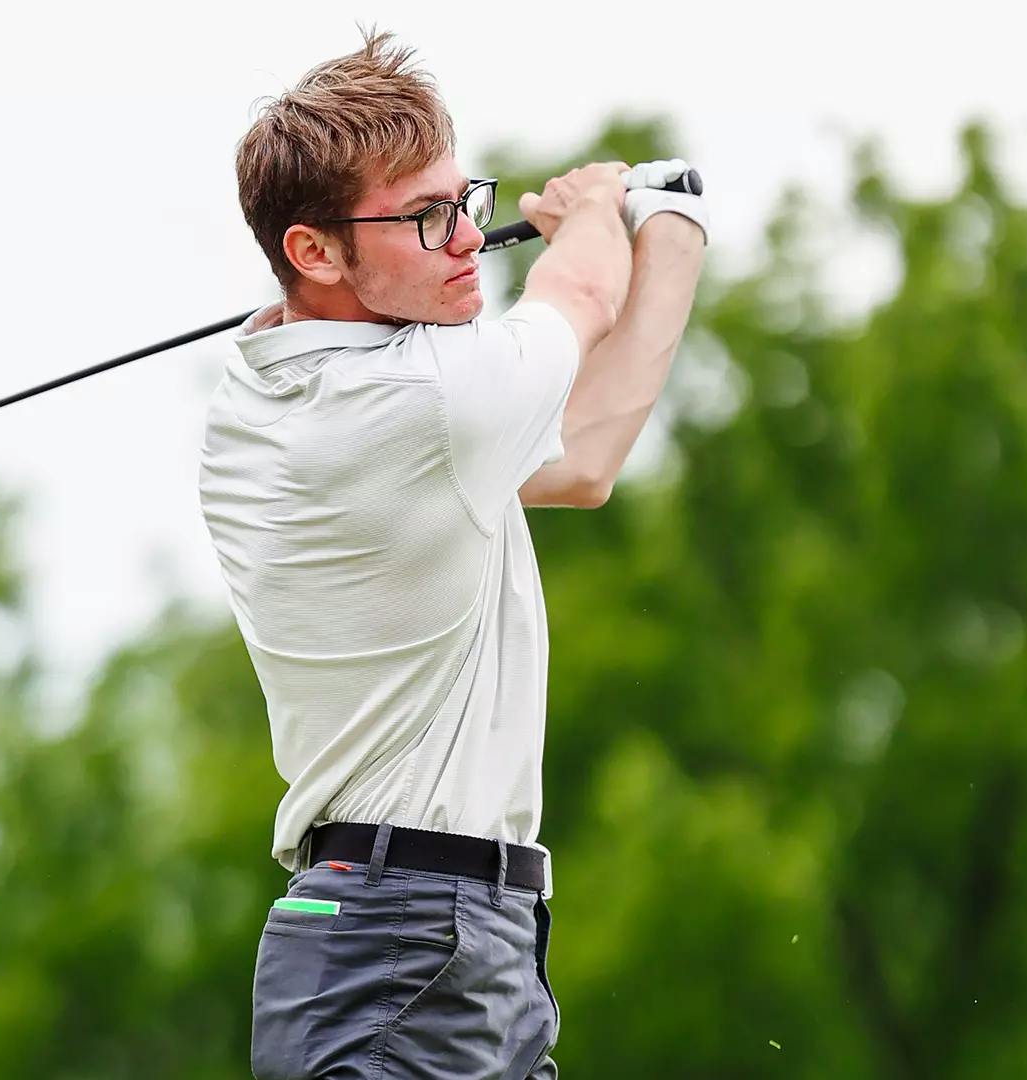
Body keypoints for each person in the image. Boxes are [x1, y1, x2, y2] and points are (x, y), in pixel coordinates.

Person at [197, 26, 707, 1080]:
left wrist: (673, 230)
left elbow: (585, 462)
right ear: (313, 252)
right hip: (406, 942)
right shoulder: (424, 401)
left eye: (463, 201)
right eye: (425, 219)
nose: (470, 238)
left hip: (441, 938)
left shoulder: (262, 398)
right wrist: (593, 211)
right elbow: (581, 297)